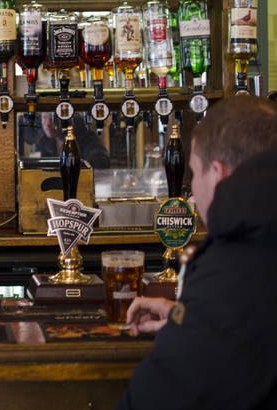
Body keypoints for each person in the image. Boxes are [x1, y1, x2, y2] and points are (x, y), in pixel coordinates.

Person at [117, 96, 277, 409]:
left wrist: (198, 325)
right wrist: (187, 318)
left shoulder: (234, 266)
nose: (191, 191)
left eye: (194, 174)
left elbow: (158, 398)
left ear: (217, 173)